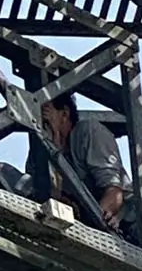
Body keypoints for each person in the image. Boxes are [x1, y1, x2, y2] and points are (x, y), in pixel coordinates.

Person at [28, 93, 136, 238]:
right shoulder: (40, 152)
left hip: (124, 226)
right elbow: (43, 196)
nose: (43, 128)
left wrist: (93, 232)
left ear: (64, 113)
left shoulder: (87, 133)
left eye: (46, 119)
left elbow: (114, 193)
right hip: (82, 222)